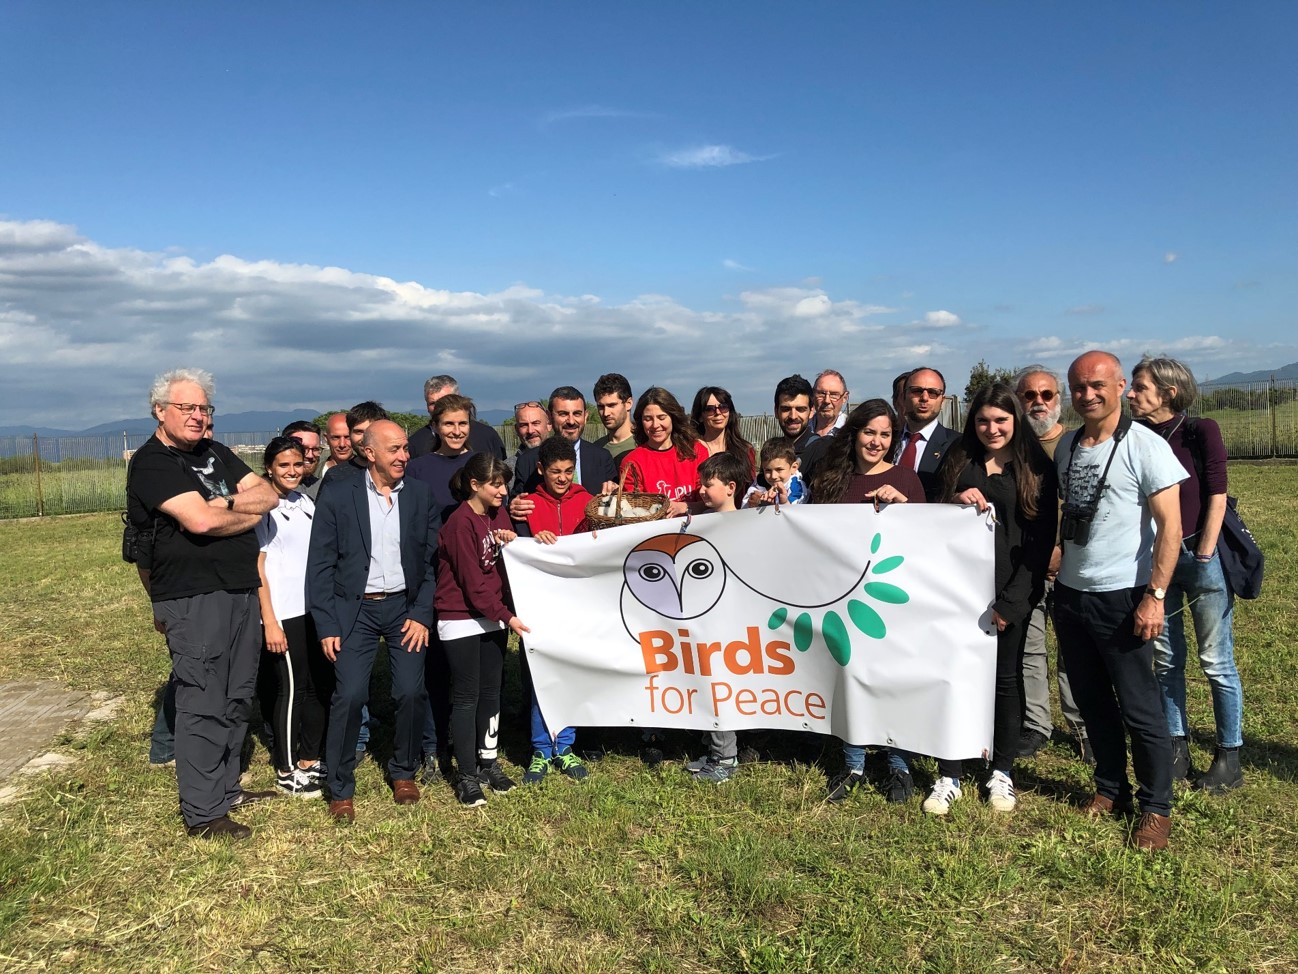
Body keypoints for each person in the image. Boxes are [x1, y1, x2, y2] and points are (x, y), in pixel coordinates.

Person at [127, 367, 280, 839]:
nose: (197, 416)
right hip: (192, 595)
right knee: (202, 699)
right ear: (160, 411)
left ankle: (226, 788)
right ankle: (203, 812)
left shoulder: (215, 452)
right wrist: (233, 508)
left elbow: (270, 494)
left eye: (203, 409)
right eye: (186, 408)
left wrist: (223, 507)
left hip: (237, 587)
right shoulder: (154, 462)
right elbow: (198, 522)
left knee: (236, 694)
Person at [1052, 350, 1185, 851]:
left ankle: (1156, 808)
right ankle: (1111, 789)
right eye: (1079, 387)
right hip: (1071, 594)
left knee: (1140, 707)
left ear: (1120, 385)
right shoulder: (1067, 446)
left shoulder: (1144, 446)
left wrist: (1154, 595)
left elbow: (1171, 526)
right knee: (1091, 701)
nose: (1087, 395)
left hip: (1125, 597)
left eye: (1097, 385)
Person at [920, 384, 1058, 816]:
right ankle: (951, 771)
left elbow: (1039, 542)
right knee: (954, 680)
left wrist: (1012, 603)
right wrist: (955, 500)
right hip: (957, 596)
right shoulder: (958, 461)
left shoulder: (1036, 468)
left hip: (1009, 596)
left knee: (1005, 680)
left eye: (1000, 420)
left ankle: (1001, 770)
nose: (992, 428)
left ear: (1015, 419)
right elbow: (930, 517)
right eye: (983, 420)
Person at [306, 420, 441, 822]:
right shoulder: (338, 496)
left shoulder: (419, 495)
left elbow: (432, 562)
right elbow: (320, 565)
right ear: (370, 453)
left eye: (405, 449)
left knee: (410, 692)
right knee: (348, 697)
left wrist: (421, 614)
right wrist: (327, 625)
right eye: (395, 449)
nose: (404, 456)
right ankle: (341, 786)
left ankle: (403, 770)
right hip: (355, 611)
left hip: (404, 608)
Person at [1127, 356, 1245, 792]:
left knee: (1216, 661)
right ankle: (1176, 745)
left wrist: (1205, 552)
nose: (1131, 394)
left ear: (1168, 392)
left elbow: (1217, 491)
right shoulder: (1135, 436)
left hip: (1198, 557)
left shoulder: (1199, 431)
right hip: (1158, 562)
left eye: (1139, 387)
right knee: (1167, 659)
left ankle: (1228, 755)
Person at [806, 399, 925, 803]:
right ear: (854, 433)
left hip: (890, 598)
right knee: (849, 676)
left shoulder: (907, 480)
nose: (876, 441)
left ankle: (898, 763)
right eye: (869, 432)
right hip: (840, 599)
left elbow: (928, 541)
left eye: (885, 434)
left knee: (893, 679)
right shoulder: (829, 481)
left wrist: (905, 509)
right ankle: (853, 761)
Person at [435, 453, 529, 807]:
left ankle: (489, 762)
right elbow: (472, 584)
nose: (503, 490)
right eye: (496, 484)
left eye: (504, 483)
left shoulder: (496, 514)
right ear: (474, 485)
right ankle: (468, 774)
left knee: (491, 692)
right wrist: (509, 617)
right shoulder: (460, 524)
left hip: (492, 615)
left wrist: (507, 540)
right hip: (460, 617)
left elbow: (498, 564)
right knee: (467, 697)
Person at [1012, 365, 1088, 762]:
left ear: (1059, 400)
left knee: (1074, 650)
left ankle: (1081, 727)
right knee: (1030, 648)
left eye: (1047, 394)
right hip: (1025, 568)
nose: (1038, 402)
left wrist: (1060, 549)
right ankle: (1036, 724)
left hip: (1071, 566)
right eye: (1029, 395)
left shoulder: (1076, 445)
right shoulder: (1013, 446)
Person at [254, 437, 332, 798]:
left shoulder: (304, 502)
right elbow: (259, 568)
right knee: (292, 689)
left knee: (317, 685)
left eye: (297, 464)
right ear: (269, 466)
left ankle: (309, 759)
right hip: (283, 613)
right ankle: (286, 769)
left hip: (312, 609)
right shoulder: (263, 507)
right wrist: (269, 619)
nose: (291, 471)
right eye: (283, 465)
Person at [516, 437, 593, 784]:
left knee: (571, 676)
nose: (562, 478)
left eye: (568, 471)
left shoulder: (589, 502)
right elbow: (512, 545)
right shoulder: (528, 506)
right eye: (555, 472)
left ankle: (565, 746)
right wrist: (534, 541)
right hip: (540, 604)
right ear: (540, 470)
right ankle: (540, 751)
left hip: (578, 604)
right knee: (540, 677)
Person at [684, 451, 750, 783]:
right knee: (708, 685)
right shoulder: (704, 520)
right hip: (706, 621)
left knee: (723, 686)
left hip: (730, 625)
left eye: (707, 484)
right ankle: (714, 750)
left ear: (730, 487)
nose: (700, 491)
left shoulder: (744, 524)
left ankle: (726, 759)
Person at [509, 386, 619, 519]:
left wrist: (616, 493)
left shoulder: (602, 457)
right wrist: (514, 507)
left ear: (586, 416)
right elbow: (516, 507)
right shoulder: (528, 461)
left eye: (577, 413)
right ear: (549, 417)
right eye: (563, 414)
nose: (571, 421)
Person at [620, 387, 710, 517]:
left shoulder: (696, 451)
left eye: (662, 417)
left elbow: (710, 501)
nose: (655, 425)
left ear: (673, 417)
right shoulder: (632, 462)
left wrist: (684, 507)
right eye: (648, 419)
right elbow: (633, 513)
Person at [894, 367, 959, 502]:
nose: (924, 398)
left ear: (942, 400)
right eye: (917, 391)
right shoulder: (886, 442)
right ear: (904, 397)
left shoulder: (958, 445)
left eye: (933, 393)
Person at [408, 374, 506, 461]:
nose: (439, 407)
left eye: (446, 401)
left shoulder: (487, 436)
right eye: (433, 403)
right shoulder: (415, 443)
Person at [317, 401, 389, 498]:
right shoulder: (335, 476)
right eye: (358, 432)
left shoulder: (399, 472)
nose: (364, 438)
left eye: (370, 431)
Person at [690, 386, 756, 482]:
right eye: (710, 409)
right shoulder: (691, 451)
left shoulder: (745, 450)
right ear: (700, 416)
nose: (718, 412)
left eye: (723, 407)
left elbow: (751, 487)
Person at [742, 438, 805, 508]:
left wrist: (783, 502)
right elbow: (745, 504)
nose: (773, 476)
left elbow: (794, 511)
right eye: (768, 470)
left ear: (793, 468)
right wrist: (753, 499)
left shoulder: (796, 486)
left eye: (779, 469)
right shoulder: (760, 481)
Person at [592, 373, 636, 461]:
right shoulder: (595, 450)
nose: (605, 413)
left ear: (628, 404)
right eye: (601, 407)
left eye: (612, 405)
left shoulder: (645, 445)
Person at [283, 420, 324, 501]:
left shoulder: (324, 487)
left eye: (315, 449)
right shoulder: (267, 491)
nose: (310, 455)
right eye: (304, 449)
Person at [810, 369, 850, 437]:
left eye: (833, 395)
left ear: (845, 398)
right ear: (813, 395)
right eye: (821, 394)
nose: (827, 400)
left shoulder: (851, 430)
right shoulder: (802, 429)